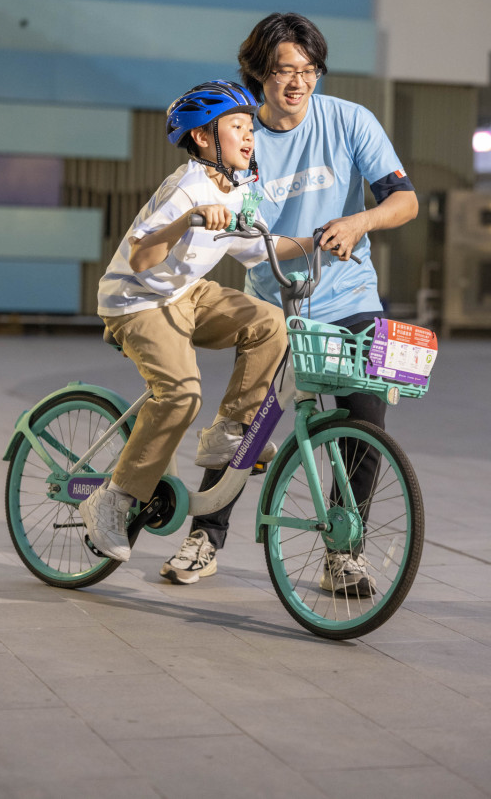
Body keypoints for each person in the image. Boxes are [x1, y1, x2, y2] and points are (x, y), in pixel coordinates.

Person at [174, 13, 419, 597]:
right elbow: (224, 218)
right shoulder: (241, 136)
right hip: (277, 302)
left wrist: (361, 221)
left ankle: (344, 554)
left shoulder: (350, 120)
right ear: (258, 72)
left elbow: (404, 200)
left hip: (352, 297)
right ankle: (205, 535)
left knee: (365, 417)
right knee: (246, 419)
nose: (298, 83)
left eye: (309, 71)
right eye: (285, 70)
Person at [80, 79, 318, 578]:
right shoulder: (189, 186)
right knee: (181, 394)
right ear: (205, 138)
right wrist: (188, 219)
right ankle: (112, 500)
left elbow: (258, 248)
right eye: (237, 126)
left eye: (250, 126)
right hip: (136, 300)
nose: (249, 135)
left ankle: (229, 432)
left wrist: (319, 240)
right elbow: (143, 257)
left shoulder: (239, 183)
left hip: (185, 294)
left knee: (269, 321)